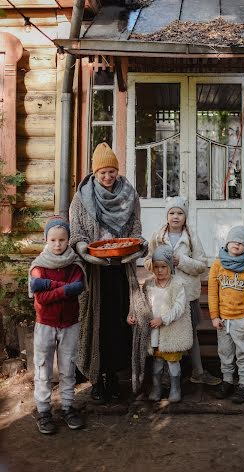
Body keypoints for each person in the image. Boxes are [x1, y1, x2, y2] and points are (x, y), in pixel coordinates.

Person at [69, 142, 147, 403]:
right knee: (96, 323)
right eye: (102, 172)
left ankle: (113, 377)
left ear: (117, 171)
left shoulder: (129, 194)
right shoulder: (82, 197)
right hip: (94, 273)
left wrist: (138, 246)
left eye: (111, 171)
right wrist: (84, 249)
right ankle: (97, 379)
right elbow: (77, 232)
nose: (107, 177)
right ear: (95, 173)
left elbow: (136, 228)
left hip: (120, 270)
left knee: (118, 323)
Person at [144, 196, 221, 386]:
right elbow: (147, 260)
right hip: (165, 293)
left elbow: (202, 265)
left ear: (185, 216)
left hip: (187, 294)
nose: (175, 217)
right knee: (164, 331)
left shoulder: (191, 238)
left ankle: (198, 371)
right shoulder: (157, 236)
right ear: (167, 216)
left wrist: (182, 261)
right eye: (172, 213)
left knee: (190, 333)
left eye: (180, 213)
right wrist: (157, 264)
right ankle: (165, 375)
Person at [29, 216, 85, 434]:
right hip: (45, 324)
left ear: (68, 240)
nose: (57, 244)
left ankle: (68, 407)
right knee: (43, 368)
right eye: (52, 240)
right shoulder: (38, 266)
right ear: (46, 240)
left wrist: (49, 286)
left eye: (62, 240)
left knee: (68, 367)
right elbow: (41, 299)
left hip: (70, 324)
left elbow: (77, 287)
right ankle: (44, 411)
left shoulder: (74, 265)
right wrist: (64, 288)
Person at [128, 245, 193, 402]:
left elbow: (179, 308)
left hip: (171, 330)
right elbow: (140, 303)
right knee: (157, 362)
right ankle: (157, 388)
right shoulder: (149, 285)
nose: (160, 270)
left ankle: (175, 388)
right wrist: (133, 314)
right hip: (154, 332)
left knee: (172, 361)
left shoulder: (177, 284)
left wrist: (163, 319)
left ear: (170, 266)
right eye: (156, 267)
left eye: (164, 266)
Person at [208, 225, 244, 404]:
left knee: (243, 353)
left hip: (242, 320)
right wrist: (214, 316)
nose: (237, 244)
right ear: (227, 242)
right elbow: (212, 292)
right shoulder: (217, 264)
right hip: (223, 320)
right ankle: (227, 381)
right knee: (225, 352)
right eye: (234, 240)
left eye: (241, 242)